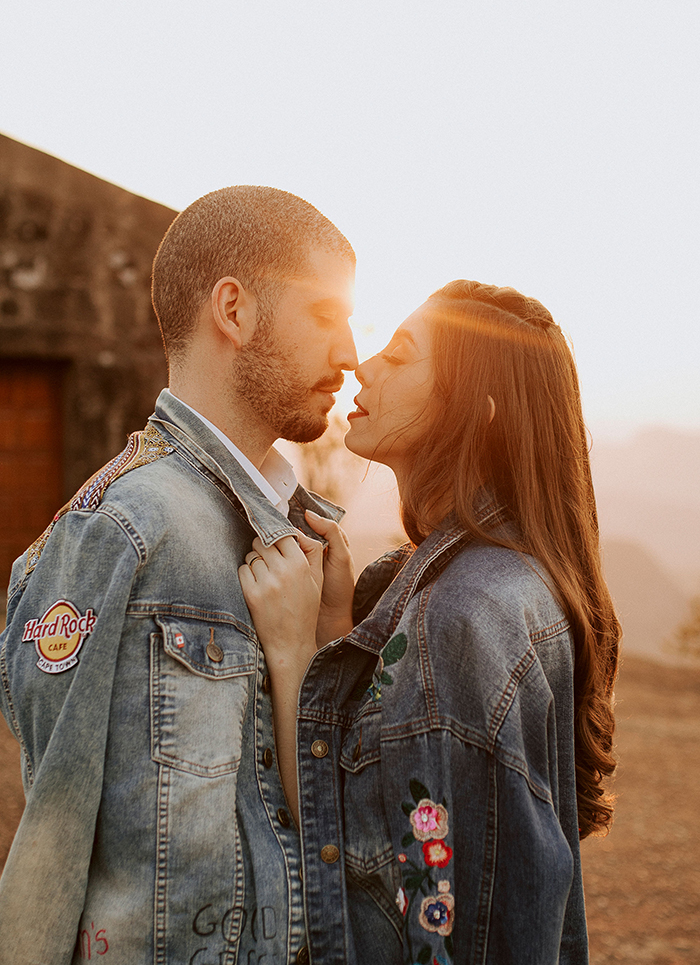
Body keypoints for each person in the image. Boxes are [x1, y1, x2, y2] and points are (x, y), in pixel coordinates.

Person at [0, 186, 358, 965]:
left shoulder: (310, 537)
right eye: (326, 316)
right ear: (234, 310)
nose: (351, 354)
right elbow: (53, 842)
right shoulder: (122, 528)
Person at [239, 280, 621, 965]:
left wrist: (292, 652)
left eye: (400, 354)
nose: (363, 365)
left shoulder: (461, 618)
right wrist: (335, 623)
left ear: (476, 408)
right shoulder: (502, 581)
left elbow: (368, 873)